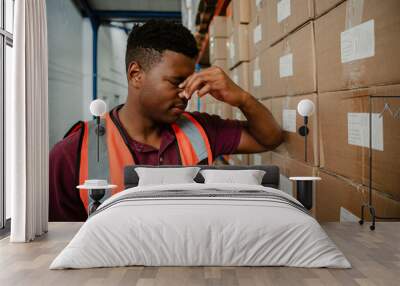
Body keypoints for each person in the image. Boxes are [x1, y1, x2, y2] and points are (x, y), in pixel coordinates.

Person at [49, 20, 283, 221]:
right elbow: (58, 240)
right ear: (136, 75)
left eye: (189, 84)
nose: (186, 94)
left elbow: (269, 138)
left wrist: (241, 98)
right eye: (176, 82)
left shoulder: (200, 129)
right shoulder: (72, 153)